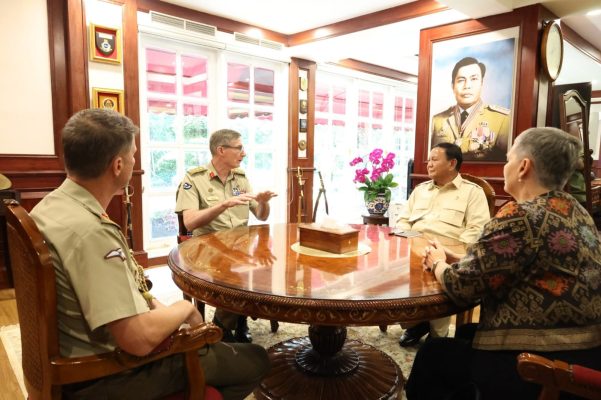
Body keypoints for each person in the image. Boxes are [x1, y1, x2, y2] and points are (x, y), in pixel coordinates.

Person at [30, 109, 269, 400]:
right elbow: (138, 340)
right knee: (257, 359)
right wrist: (183, 310)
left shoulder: (49, 206)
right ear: (118, 165)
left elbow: (127, 289)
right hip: (104, 375)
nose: (135, 161)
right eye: (133, 155)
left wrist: (160, 309)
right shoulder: (91, 232)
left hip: (74, 352)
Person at [406, 127, 601, 400]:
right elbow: (519, 262)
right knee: (465, 332)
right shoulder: (576, 211)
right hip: (588, 355)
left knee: (433, 355)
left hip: (541, 367)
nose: (505, 167)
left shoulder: (520, 215)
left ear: (523, 167)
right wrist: (458, 258)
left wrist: (438, 262)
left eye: (508, 159)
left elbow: (462, 288)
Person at [175, 128, 277, 343]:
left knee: (267, 270)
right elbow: (190, 222)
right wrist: (223, 205)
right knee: (237, 277)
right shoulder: (194, 179)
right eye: (239, 148)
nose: (244, 153)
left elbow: (261, 215)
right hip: (208, 246)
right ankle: (223, 328)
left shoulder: (240, 178)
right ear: (221, 150)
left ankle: (232, 322)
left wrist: (263, 202)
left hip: (241, 245)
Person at [395, 142, 490, 347]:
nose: (428, 164)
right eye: (428, 160)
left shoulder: (472, 192)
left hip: (449, 252)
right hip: (414, 248)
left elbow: (477, 229)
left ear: (452, 163)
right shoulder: (420, 190)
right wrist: (412, 241)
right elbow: (402, 220)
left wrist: (452, 252)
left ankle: (438, 336)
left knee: (438, 272)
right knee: (395, 276)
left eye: (434, 159)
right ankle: (416, 323)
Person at [431, 56, 511, 162]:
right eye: (461, 80)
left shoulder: (502, 119)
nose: (467, 86)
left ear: (482, 83)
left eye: (474, 79)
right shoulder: (437, 120)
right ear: (452, 86)